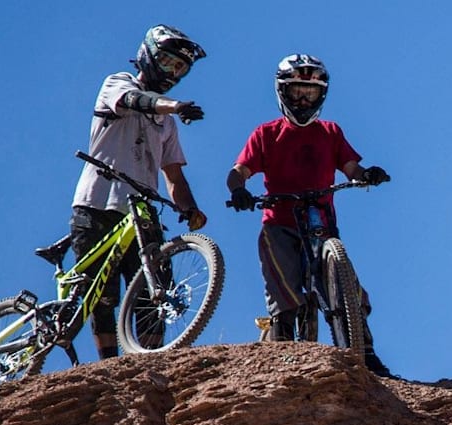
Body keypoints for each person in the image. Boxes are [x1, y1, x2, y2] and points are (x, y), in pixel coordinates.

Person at [226, 53, 392, 375]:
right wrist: (239, 191)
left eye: (310, 93)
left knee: (350, 287)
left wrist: (367, 174)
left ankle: (367, 355)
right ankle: (283, 348)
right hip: (280, 222)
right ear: (282, 93)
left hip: (322, 222)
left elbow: (351, 167)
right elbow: (239, 171)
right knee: (284, 286)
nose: (303, 99)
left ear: (322, 95)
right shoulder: (267, 134)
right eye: (296, 92)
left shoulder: (330, 132)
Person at [71, 25, 209, 360]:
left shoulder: (168, 125)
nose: (172, 72)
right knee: (100, 294)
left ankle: (150, 363)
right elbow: (134, 101)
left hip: (142, 210)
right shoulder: (117, 83)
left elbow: (174, 175)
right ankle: (108, 365)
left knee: (154, 288)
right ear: (147, 55)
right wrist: (174, 106)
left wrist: (190, 208)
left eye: (180, 68)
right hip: (98, 201)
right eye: (167, 62)